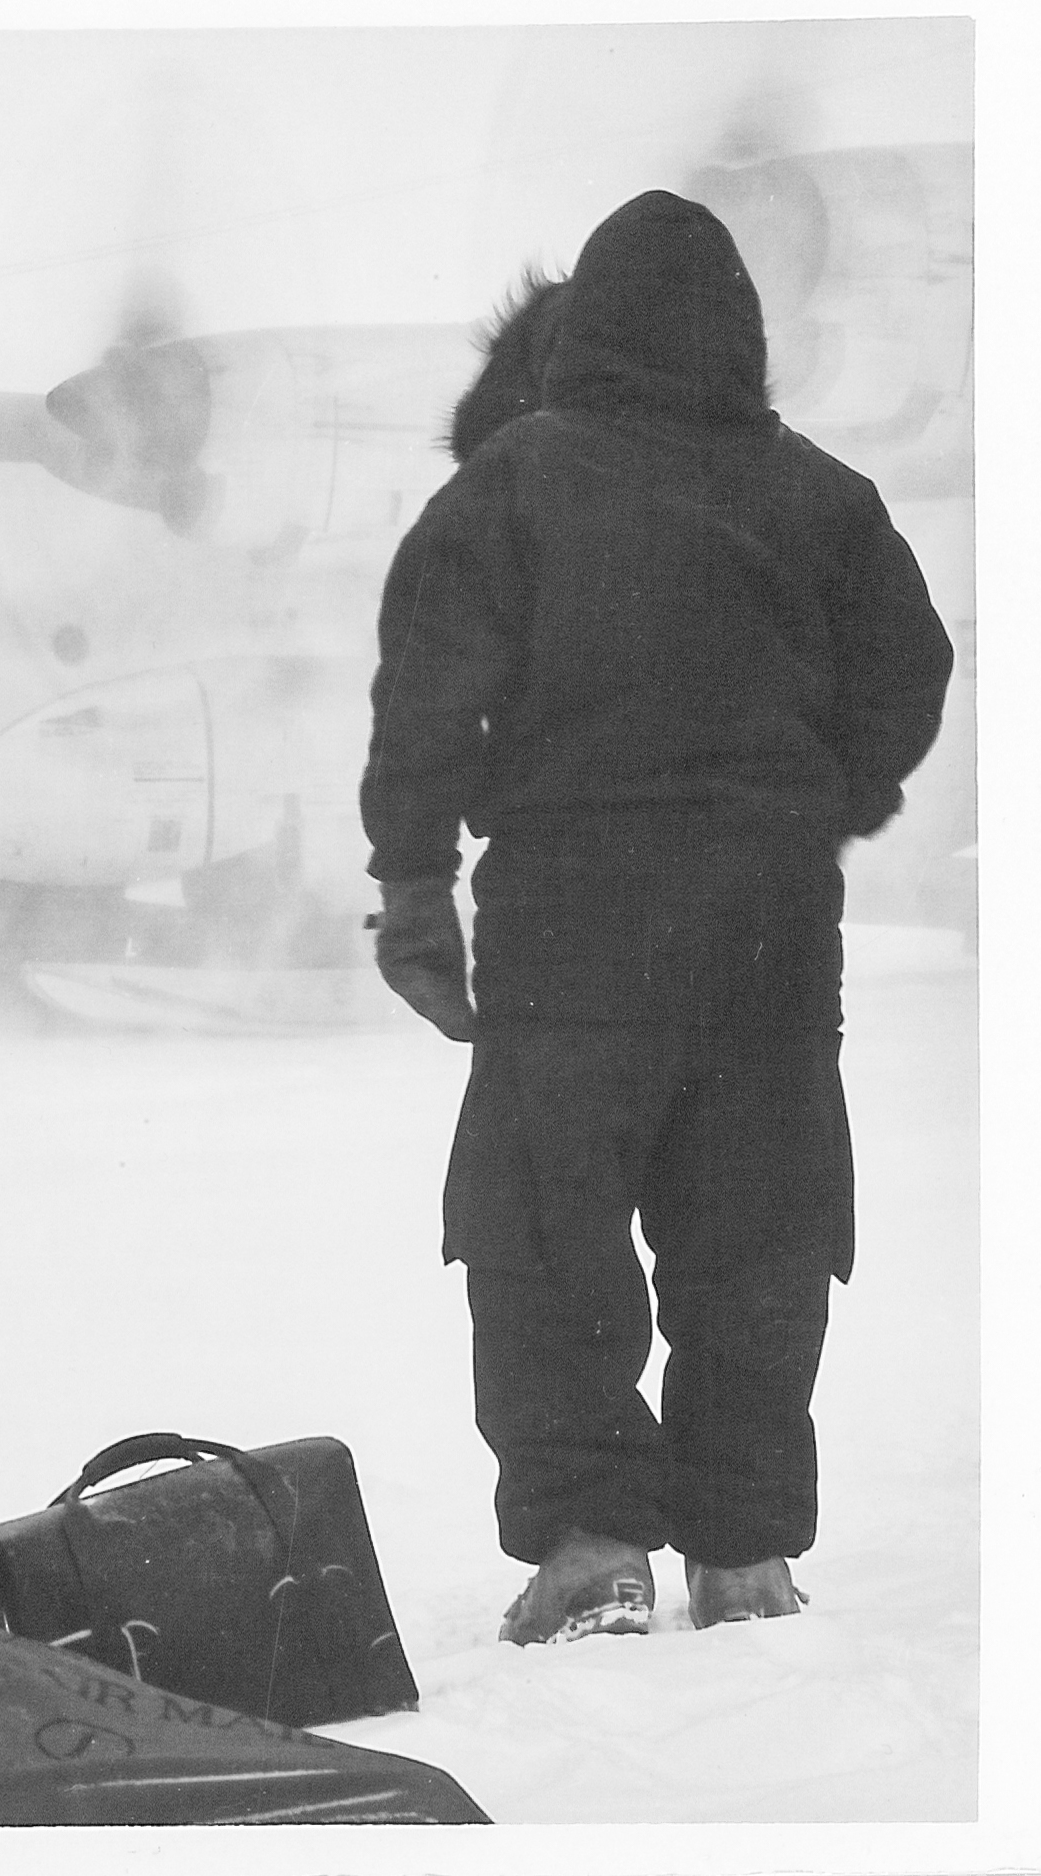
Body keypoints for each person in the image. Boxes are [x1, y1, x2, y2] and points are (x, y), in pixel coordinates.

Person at [359, 191, 954, 1645]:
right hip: (769, 925)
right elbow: (913, 668)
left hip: (571, 919)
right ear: (740, 333)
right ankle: (744, 1557)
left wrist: (413, 882)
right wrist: (830, 798)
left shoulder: (510, 483)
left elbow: (426, 688)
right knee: (758, 1230)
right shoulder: (824, 495)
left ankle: (588, 1548)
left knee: (542, 1227)